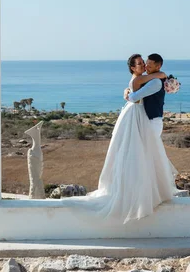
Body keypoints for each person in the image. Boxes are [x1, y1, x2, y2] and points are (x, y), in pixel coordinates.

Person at [62, 54, 178, 223]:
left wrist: (156, 78)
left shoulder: (149, 80)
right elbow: (133, 96)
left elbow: (135, 94)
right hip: (138, 118)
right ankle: (140, 194)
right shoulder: (148, 78)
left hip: (147, 120)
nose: (144, 65)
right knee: (140, 155)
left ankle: (149, 192)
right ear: (133, 67)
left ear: (158, 65)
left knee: (145, 154)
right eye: (141, 63)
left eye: (146, 63)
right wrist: (153, 78)